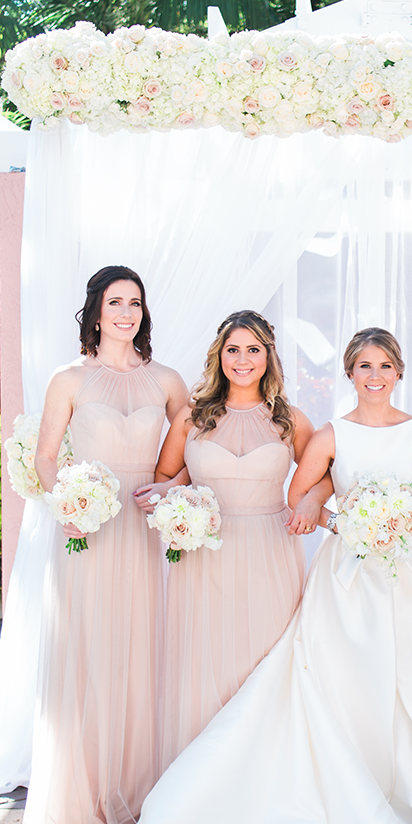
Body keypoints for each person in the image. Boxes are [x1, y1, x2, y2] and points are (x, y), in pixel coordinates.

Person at [58, 327, 412, 824]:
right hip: (240, 555)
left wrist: (402, 513)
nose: (374, 375)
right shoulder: (234, 421)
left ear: (399, 371)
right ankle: (205, 791)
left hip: (386, 568)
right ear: (349, 371)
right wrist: (320, 514)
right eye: (363, 365)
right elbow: (292, 492)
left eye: (384, 365)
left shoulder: (308, 422)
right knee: (267, 674)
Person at [22, 266, 188, 824]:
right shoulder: (69, 379)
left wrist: (168, 490)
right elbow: (46, 456)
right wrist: (65, 499)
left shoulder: (166, 380)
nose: (127, 312)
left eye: (135, 303)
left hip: (143, 529)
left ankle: (142, 787)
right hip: (88, 531)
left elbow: (189, 455)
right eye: (115, 302)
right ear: (95, 311)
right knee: (91, 649)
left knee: (144, 648)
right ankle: (85, 793)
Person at [136, 312, 311, 770]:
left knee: (263, 661)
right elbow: (167, 476)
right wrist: (173, 494)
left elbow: (322, 474)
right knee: (204, 662)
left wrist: (311, 505)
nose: (243, 359)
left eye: (254, 349)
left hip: (270, 551)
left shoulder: (290, 420)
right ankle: (201, 774)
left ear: (268, 356)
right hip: (205, 553)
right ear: (219, 355)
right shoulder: (192, 419)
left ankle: (264, 772)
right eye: (233, 349)